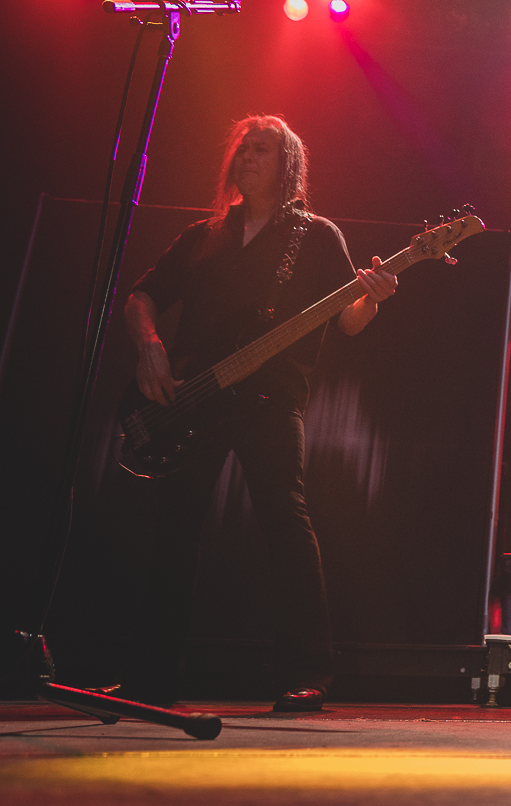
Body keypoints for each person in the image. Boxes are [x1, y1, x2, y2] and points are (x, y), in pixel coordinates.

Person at [119, 115, 397, 712]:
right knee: (174, 531)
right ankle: (149, 679)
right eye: (242, 148)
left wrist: (372, 298)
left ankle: (308, 675)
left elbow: (346, 319)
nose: (246, 157)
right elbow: (141, 297)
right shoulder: (203, 236)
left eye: (261, 150)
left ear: (287, 165)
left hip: (270, 399)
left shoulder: (316, 236)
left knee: (286, 527)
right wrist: (149, 345)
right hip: (190, 399)